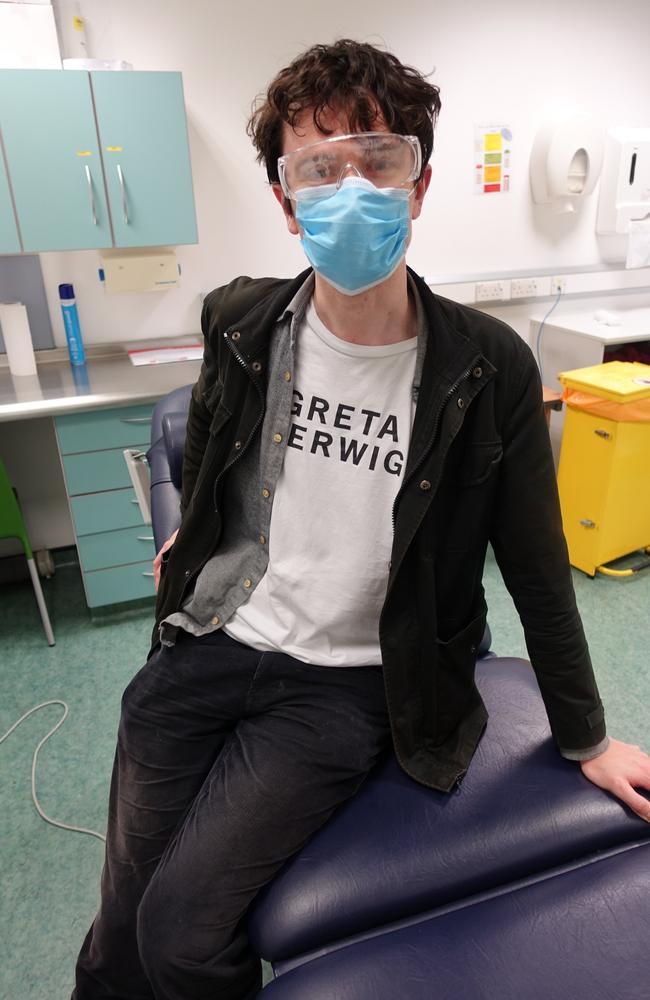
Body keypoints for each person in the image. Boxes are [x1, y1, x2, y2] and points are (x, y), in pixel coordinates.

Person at [72, 38, 650, 1000]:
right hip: (215, 640)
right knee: (119, 924)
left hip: (346, 682)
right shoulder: (240, 322)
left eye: (378, 158)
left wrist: (587, 738)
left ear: (418, 184)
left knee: (179, 937)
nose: (350, 187)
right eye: (317, 165)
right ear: (284, 196)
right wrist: (201, 532)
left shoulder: (486, 366)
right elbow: (210, 442)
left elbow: (540, 568)